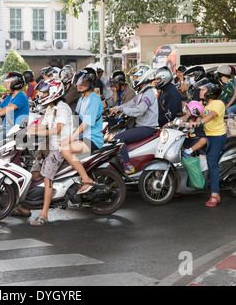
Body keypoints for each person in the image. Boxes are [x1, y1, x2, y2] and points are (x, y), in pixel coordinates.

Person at [13, 79, 73, 226]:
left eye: (44, 92)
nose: (40, 94)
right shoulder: (50, 108)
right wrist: (28, 130)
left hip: (58, 148)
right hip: (47, 146)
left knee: (47, 177)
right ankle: (26, 207)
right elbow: (43, 125)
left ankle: (44, 214)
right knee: (32, 174)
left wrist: (37, 131)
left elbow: (57, 129)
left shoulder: (62, 108)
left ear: (53, 93)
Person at [61, 67, 104, 195]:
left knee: (65, 149)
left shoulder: (94, 100)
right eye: (78, 82)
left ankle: (86, 179)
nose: (79, 85)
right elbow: (76, 120)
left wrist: (70, 138)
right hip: (83, 137)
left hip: (92, 139)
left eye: (84, 82)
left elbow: (85, 124)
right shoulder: (81, 99)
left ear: (90, 83)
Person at [110, 69, 159, 174]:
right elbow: (130, 104)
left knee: (118, 138)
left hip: (147, 127)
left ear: (143, 78)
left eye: (136, 77)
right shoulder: (142, 92)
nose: (134, 79)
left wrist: (121, 110)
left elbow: (140, 110)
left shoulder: (149, 92)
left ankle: (128, 166)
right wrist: (114, 108)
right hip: (140, 126)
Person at [187, 80, 227, 207]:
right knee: (188, 152)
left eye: (203, 90)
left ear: (210, 92)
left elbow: (212, 115)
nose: (200, 91)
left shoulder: (218, 103)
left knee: (211, 162)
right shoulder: (203, 104)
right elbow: (192, 113)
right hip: (205, 135)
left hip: (217, 136)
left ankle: (215, 194)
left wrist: (199, 122)